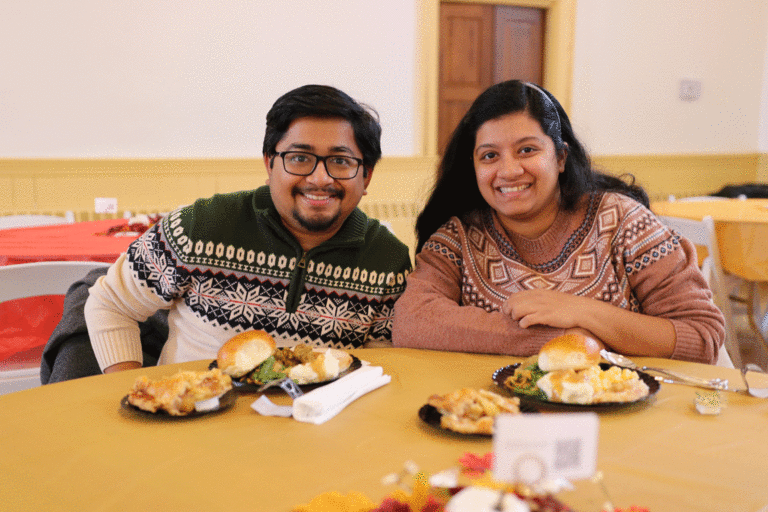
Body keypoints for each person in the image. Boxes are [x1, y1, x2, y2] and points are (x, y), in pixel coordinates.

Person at [83, 84, 412, 375]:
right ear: (270, 164)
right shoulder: (202, 226)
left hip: (313, 435)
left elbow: (376, 368)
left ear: (365, 176)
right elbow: (110, 302)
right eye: (300, 158)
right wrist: (128, 388)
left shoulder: (387, 260)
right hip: (192, 426)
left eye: (340, 161)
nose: (320, 179)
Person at [392, 80, 724, 364]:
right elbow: (412, 320)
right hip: (500, 418)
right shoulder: (460, 236)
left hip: (624, 418)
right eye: (489, 155)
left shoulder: (624, 222)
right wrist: (563, 337)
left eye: (526, 150)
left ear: (561, 157)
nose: (508, 171)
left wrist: (581, 311)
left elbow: (702, 337)